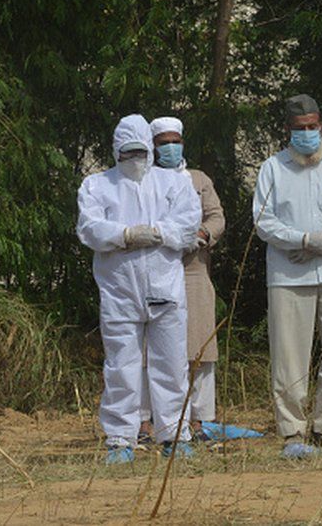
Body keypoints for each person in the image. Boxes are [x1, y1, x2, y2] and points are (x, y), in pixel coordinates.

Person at [77, 114, 201, 464]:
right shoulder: (97, 185)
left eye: (140, 151)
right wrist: (126, 236)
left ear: (150, 147)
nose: (134, 159)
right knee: (121, 366)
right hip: (119, 292)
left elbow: (188, 225)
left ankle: (175, 435)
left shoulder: (173, 183)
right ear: (116, 150)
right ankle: (119, 438)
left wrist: (156, 232)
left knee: (172, 365)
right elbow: (90, 228)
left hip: (166, 288)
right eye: (127, 152)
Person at [253, 94, 322, 459]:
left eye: (312, 127)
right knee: (289, 356)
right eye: (300, 129)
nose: (307, 134)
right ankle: (292, 432)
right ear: (288, 130)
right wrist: (300, 240)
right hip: (289, 273)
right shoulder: (272, 168)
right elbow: (263, 220)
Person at [142, 116, 226, 439]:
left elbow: (216, 216)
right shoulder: (144, 180)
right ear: (153, 146)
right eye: (164, 142)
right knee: (153, 350)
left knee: (199, 345)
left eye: (176, 141)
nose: (171, 148)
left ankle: (198, 421)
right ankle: (148, 422)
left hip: (194, 268)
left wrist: (203, 233)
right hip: (157, 268)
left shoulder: (198, 179)